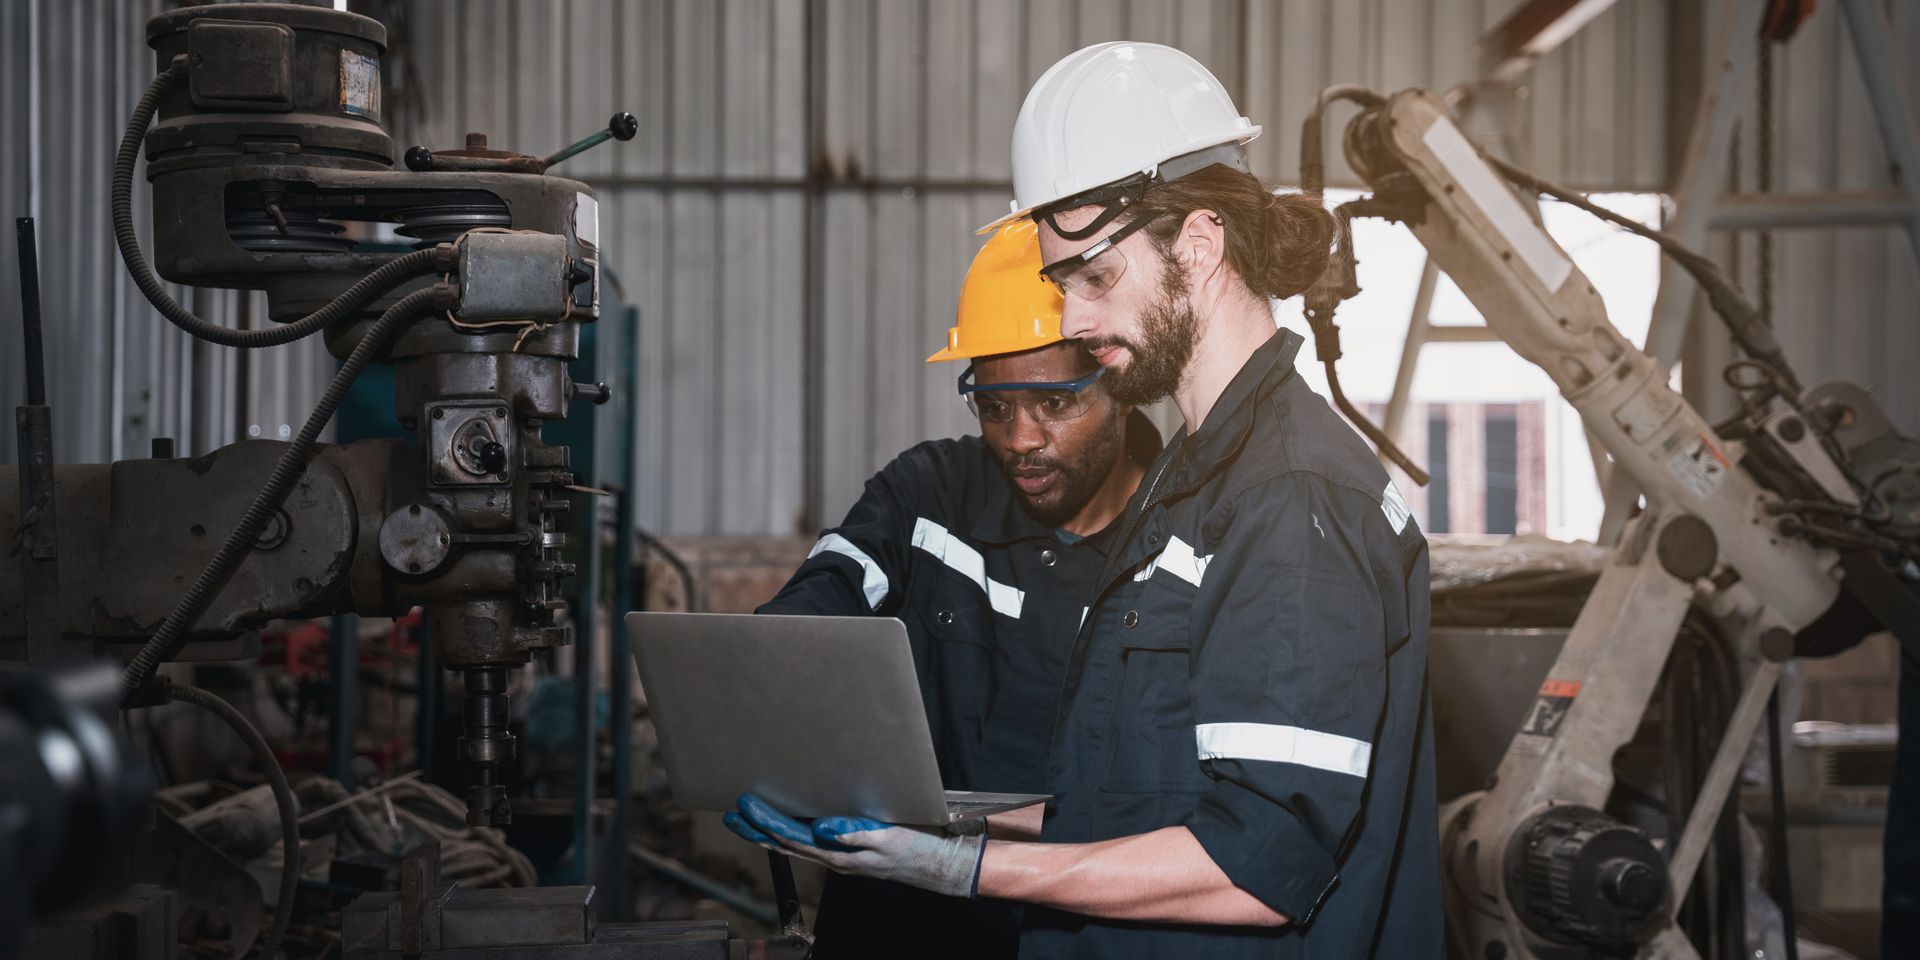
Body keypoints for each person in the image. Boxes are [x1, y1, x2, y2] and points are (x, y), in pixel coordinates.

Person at [728, 42, 1441, 959]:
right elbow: (1135, 795)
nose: (1072, 321)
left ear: (1200, 244)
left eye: (1095, 278)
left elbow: (1256, 862)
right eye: (1067, 285)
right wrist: (931, 820)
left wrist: (962, 868)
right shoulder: (1200, 479)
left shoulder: (1285, 497)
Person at [752, 219, 1160, 958]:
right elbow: (810, 615)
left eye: (1055, 403)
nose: (1021, 439)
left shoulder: (1182, 539)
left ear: (1120, 384)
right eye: (995, 406)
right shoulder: (930, 495)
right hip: (899, 930)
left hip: (1077, 933)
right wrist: (766, 731)